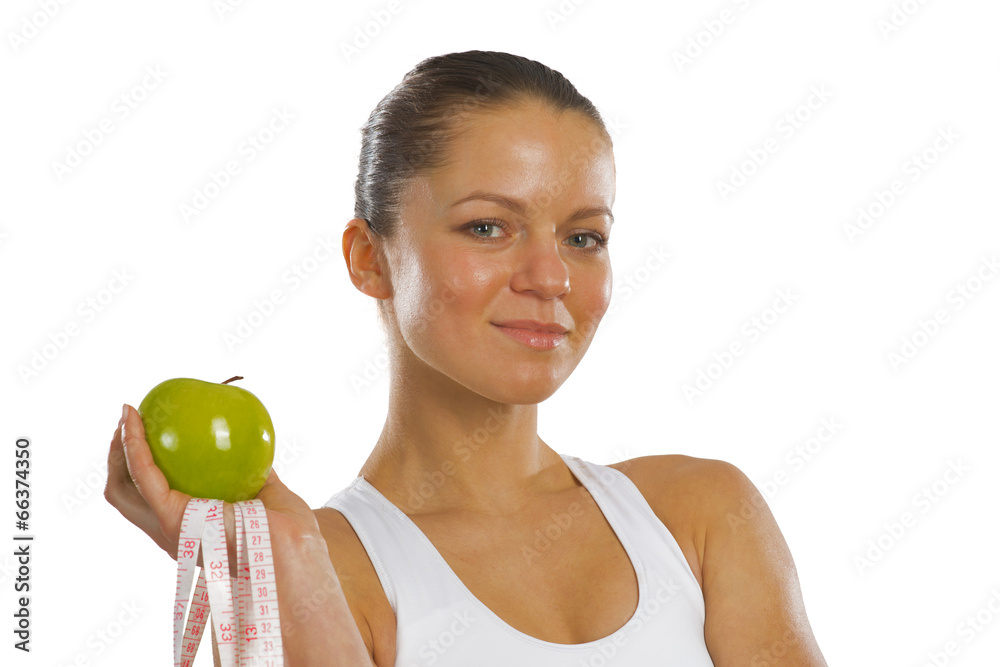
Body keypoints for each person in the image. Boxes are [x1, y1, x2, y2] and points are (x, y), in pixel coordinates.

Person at [105, 50, 828, 666]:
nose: (551, 279)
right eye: (488, 226)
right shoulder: (316, 563)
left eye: (584, 237)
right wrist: (287, 572)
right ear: (370, 259)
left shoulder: (702, 517)